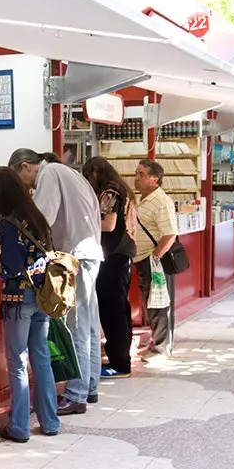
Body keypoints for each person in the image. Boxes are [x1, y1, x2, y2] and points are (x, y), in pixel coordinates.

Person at [8, 149, 102, 415]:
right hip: (89, 252)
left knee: (76, 326)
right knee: (89, 322)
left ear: (26, 167)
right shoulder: (69, 172)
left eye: (21, 178)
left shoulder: (49, 174)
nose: (24, 185)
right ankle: (90, 385)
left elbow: (42, 219)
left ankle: (76, 394)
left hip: (74, 256)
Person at [0, 167, 61, 442]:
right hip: (41, 297)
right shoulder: (35, 216)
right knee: (41, 358)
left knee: (17, 362)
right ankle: (50, 421)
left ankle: (19, 427)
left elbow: (10, 269)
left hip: (17, 299)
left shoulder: (8, 223)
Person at [83, 157, 137, 378]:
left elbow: (108, 224)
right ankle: (121, 358)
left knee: (111, 311)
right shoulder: (123, 190)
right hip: (123, 254)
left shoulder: (110, 192)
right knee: (120, 310)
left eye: (89, 176)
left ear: (96, 172)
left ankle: (120, 363)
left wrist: (83, 221)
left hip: (113, 256)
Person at [133, 160, 179, 357]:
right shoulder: (144, 199)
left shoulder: (161, 201)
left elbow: (170, 234)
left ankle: (161, 347)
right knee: (151, 302)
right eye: (136, 173)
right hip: (143, 259)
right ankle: (157, 342)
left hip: (154, 262)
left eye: (141, 174)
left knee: (158, 303)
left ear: (154, 179)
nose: (136, 178)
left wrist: (155, 257)